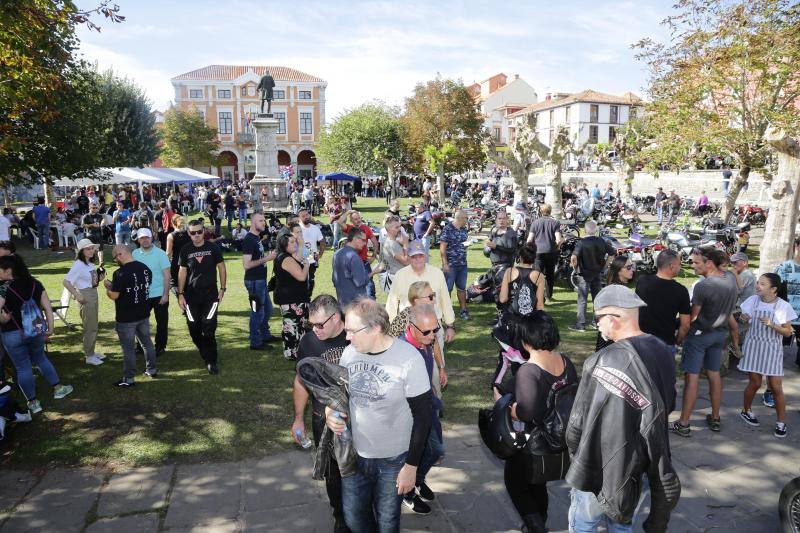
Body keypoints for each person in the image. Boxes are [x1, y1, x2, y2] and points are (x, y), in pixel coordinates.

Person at [567, 285, 680, 532]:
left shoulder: (600, 361)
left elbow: (576, 425)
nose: (596, 325)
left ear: (612, 319)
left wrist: (576, 457)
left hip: (597, 468)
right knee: (622, 523)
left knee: (583, 524)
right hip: (639, 466)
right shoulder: (663, 350)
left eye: (598, 319)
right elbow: (668, 403)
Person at [325, 298, 432, 533]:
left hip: (393, 461)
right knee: (353, 519)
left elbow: (424, 418)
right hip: (355, 455)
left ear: (375, 328)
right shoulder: (350, 354)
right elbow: (339, 394)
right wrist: (330, 411)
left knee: (387, 523)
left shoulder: (409, 359)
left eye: (353, 331)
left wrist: (411, 467)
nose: (347, 337)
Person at [495, 311, 577, 533]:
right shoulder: (565, 362)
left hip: (536, 442)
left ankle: (536, 527)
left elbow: (526, 412)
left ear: (526, 340)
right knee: (537, 483)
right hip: (561, 439)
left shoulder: (529, 371)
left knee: (515, 483)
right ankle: (538, 522)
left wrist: (510, 410)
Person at [292, 295, 350, 531]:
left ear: (336, 318)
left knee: (361, 470)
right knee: (332, 474)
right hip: (322, 421)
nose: (314, 330)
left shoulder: (356, 333)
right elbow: (300, 381)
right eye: (310, 324)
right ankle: (339, 516)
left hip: (359, 419)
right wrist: (298, 418)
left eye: (319, 324)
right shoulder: (308, 342)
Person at [671, 248, 739, 436]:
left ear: (709, 263)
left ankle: (684, 423)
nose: (692, 265)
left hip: (699, 336)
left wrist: (680, 333)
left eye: (696, 262)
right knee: (714, 374)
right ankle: (715, 418)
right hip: (719, 335)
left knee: (691, 377)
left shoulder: (703, 286)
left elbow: (692, 317)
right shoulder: (731, 279)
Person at [0, 255, 72, 414]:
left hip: (12, 333)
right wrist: (50, 329)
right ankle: (58, 388)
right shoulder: (35, 283)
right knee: (41, 359)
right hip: (36, 331)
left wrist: (3, 319)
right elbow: (48, 308)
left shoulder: (3, 288)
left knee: (22, 367)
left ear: (8, 270)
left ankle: (33, 403)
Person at [399, 304, 446, 515]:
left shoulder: (424, 340)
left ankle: (416, 481)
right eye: (426, 331)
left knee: (434, 450)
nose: (432, 335)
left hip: (428, 405)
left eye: (435, 329)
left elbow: (427, 367)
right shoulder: (402, 352)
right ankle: (407, 493)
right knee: (430, 450)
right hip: (412, 414)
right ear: (411, 327)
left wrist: (433, 387)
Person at [738, 273, 795, 438]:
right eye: (758, 282)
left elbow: (787, 332)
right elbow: (743, 319)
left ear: (774, 289)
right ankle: (746, 411)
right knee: (754, 383)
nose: (757, 286)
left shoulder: (783, 306)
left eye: (762, 284)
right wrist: (743, 317)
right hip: (753, 346)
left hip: (772, 349)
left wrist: (773, 325)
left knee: (776, 387)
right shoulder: (752, 301)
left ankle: (781, 422)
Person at [387, 240, 456, 354]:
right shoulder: (400, 275)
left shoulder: (437, 273)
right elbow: (392, 303)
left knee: (435, 367)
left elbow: (445, 300)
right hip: (408, 329)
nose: (418, 259)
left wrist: (450, 326)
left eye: (420, 256)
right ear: (409, 258)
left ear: (425, 256)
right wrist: (392, 330)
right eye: (414, 256)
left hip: (434, 328)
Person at [177, 219, 226, 375]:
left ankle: (211, 361)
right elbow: (182, 272)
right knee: (194, 328)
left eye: (199, 231)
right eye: (193, 233)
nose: (197, 235)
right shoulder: (185, 250)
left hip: (211, 296)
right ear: (189, 234)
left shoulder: (212, 248)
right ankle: (205, 351)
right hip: (191, 297)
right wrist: (180, 294)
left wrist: (223, 289)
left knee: (209, 327)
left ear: (204, 231)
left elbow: (222, 268)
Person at [103, 245, 157, 386]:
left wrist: (108, 290)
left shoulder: (120, 273)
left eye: (115, 258)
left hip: (126, 318)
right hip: (143, 314)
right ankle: (152, 370)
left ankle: (129, 379)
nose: (116, 261)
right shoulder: (145, 268)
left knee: (128, 349)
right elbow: (139, 287)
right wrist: (115, 286)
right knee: (147, 343)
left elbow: (115, 295)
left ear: (120, 254)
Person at [636, 250, 691, 352]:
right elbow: (685, 325)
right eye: (679, 264)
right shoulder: (681, 291)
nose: (680, 267)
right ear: (671, 266)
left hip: (641, 340)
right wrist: (678, 340)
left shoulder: (642, 281)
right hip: (665, 343)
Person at [63, 239, 105, 366]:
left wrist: (99, 278)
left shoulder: (89, 263)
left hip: (92, 293)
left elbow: (91, 281)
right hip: (85, 295)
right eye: (88, 248)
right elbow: (66, 282)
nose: (91, 250)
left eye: (92, 248)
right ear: (81, 251)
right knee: (89, 327)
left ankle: (91, 352)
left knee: (93, 325)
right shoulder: (79, 264)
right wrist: (77, 295)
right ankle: (89, 355)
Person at [569, 220, 615, 332]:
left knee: (582, 299)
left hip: (584, 274)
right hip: (597, 272)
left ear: (585, 230)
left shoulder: (581, 242)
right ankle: (596, 322)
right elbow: (612, 254)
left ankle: (580, 324)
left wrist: (575, 267)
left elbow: (573, 258)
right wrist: (604, 266)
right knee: (597, 299)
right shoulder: (601, 241)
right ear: (595, 230)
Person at [242, 213, 278, 351]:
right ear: (253, 223)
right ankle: (255, 342)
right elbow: (246, 264)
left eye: (264, 220)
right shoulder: (249, 240)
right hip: (254, 281)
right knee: (257, 312)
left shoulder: (257, 238)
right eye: (261, 221)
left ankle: (265, 335)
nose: (264, 223)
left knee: (268, 309)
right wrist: (267, 259)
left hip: (261, 280)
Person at [132, 229, 170, 357]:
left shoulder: (160, 254)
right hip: (142, 295)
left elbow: (166, 276)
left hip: (159, 294)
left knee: (162, 322)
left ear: (152, 237)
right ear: (138, 240)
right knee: (140, 323)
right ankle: (141, 346)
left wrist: (166, 294)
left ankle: (160, 346)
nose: (145, 240)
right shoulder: (134, 254)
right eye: (142, 238)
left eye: (147, 237)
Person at [273, 233, 310, 360]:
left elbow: (302, 254)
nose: (295, 244)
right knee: (293, 327)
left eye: (295, 241)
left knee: (297, 326)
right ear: (285, 245)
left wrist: (301, 242)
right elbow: (301, 276)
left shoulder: (286, 257)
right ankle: (291, 353)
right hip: (291, 299)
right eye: (292, 242)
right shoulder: (286, 259)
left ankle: (295, 351)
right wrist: (306, 266)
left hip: (293, 298)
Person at [332, 227, 382, 307]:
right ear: (355, 239)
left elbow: (334, 280)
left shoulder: (337, 254)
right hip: (355, 304)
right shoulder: (354, 257)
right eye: (363, 240)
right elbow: (360, 282)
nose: (365, 243)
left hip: (342, 301)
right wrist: (374, 271)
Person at [498, 242, 545, 318]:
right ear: (534, 258)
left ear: (520, 257)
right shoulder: (540, 276)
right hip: (530, 318)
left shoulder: (509, 271)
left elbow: (503, 299)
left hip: (512, 317)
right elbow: (540, 305)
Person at [527, 204, 563, 300]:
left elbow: (529, 240)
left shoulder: (535, 223)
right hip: (551, 252)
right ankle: (548, 295)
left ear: (540, 211)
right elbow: (558, 239)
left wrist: (529, 250)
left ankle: (536, 295)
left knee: (537, 274)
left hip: (538, 251)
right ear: (550, 211)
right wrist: (557, 247)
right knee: (550, 274)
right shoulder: (555, 223)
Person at [439, 209, 471, 320]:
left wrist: (466, 245)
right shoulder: (448, 229)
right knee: (447, 289)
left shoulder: (464, 230)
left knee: (462, 288)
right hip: (451, 265)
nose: (467, 220)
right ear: (460, 218)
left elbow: (462, 243)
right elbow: (442, 248)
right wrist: (445, 264)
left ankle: (463, 310)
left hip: (462, 264)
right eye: (466, 218)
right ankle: (445, 312)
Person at [342, 210, 380, 298]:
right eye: (355, 219)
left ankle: (371, 305)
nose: (358, 220)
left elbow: (375, 242)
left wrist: (373, 256)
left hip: (363, 261)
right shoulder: (349, 228)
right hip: (351, 261)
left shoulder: (366, 228)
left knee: (369, 284)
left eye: (359, 218)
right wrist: (348, 212)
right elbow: (340, 222)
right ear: (351, 221)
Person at [775, 237, 800, 370]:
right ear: (796, 246)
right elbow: (776, 291)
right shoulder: (784, 268)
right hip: (785, 315)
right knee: (777, 344)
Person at [298, 207, 325, 295]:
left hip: (312, 260)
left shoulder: (315, 228)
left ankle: (307, 299)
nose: (306, 217)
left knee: (310, 281)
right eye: (303, 216)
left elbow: (322, 241)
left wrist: (320, 254)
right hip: (299, 261)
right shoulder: (297, 229)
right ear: (299, 218)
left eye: (307, 215)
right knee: (301, 282)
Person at [379, 215, 409, 293]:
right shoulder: (392, 244)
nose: (399, 229)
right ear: (389, 230)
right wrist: (405, 246)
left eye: (399, 226)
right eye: (396, 227)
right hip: (398, 279)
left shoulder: (392, 240)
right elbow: (406, 262)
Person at [165, 215, 190, 292]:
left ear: (172, 223)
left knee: (176, 286)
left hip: (176, 262)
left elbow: (168, 253)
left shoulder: (171, 235)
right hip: (188, 261)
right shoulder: (188, 233)